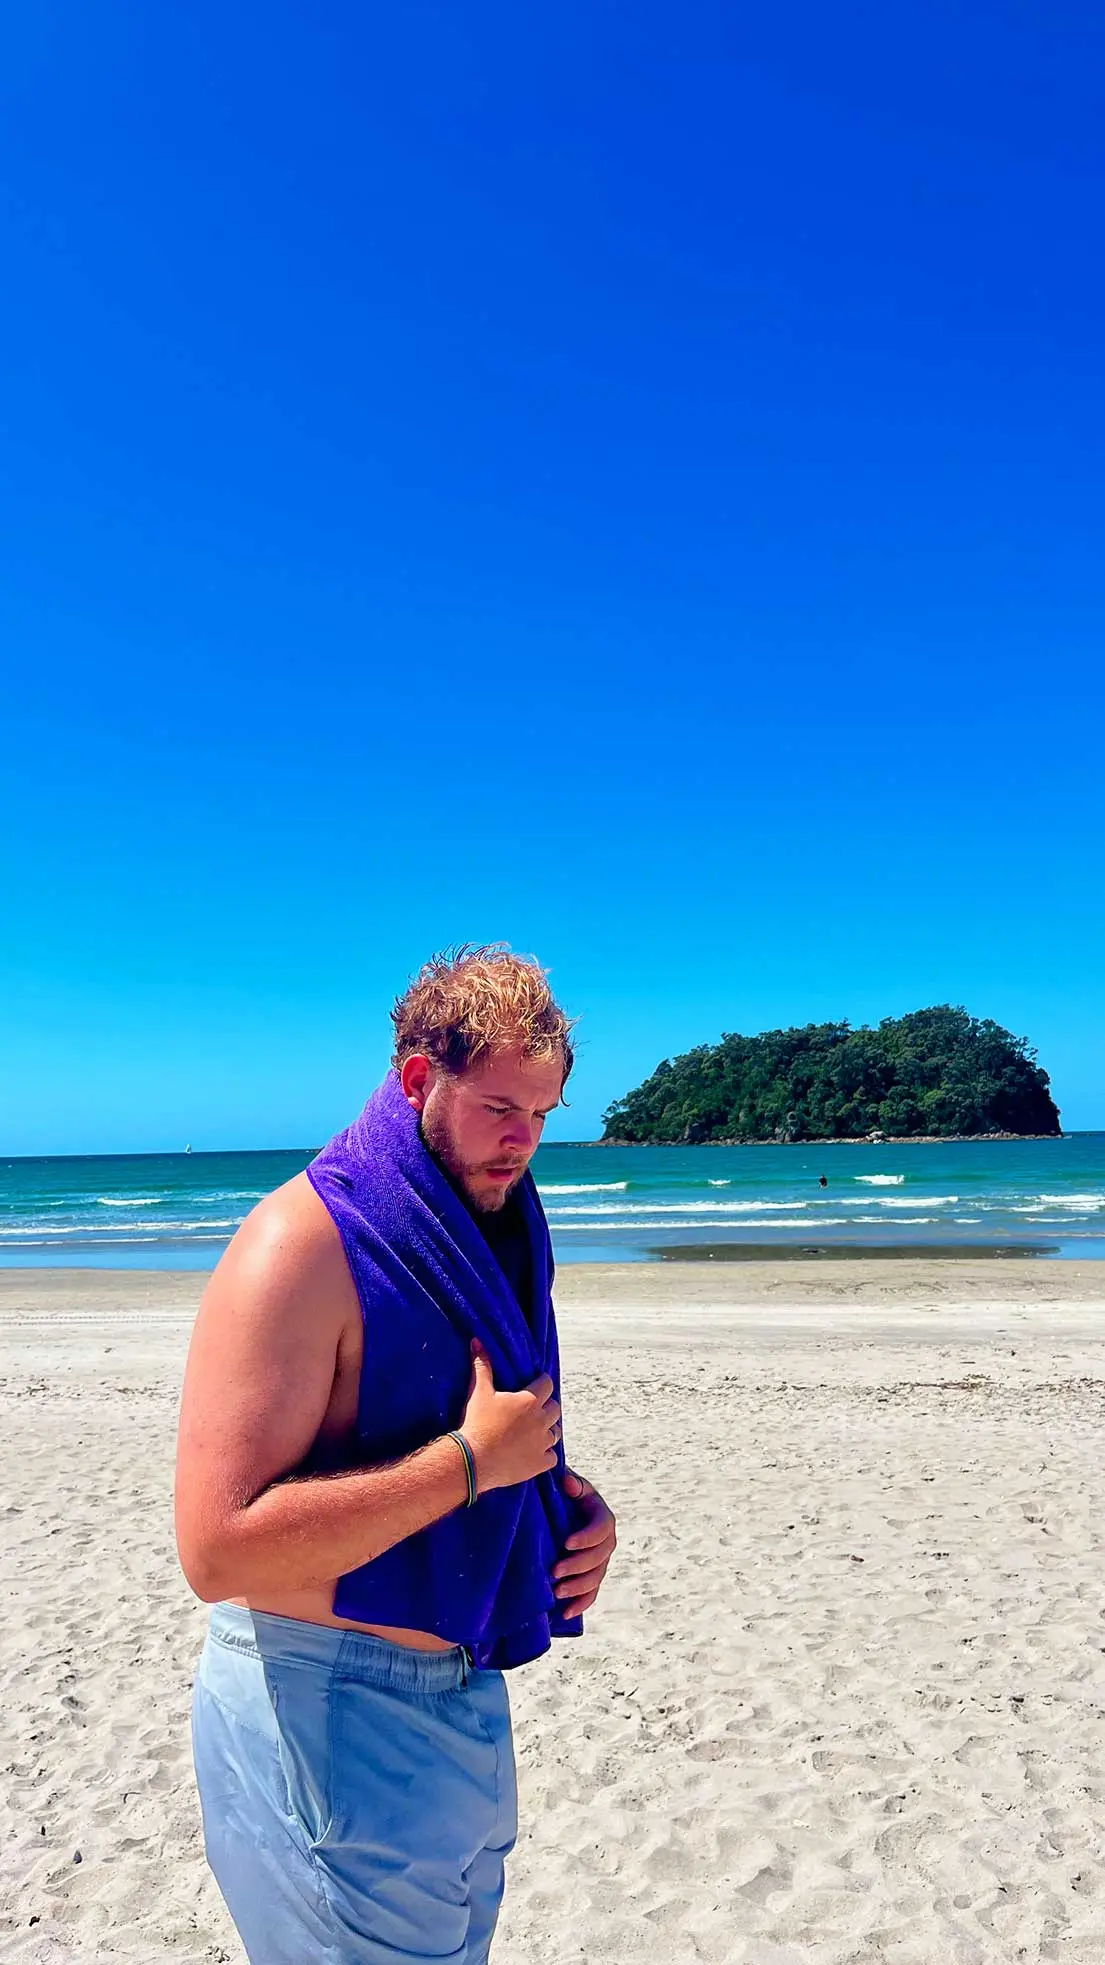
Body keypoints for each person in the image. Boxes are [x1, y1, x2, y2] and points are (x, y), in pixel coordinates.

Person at [175, 947, 617, 1964]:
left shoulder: (487, 1230)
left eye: (543, 1115)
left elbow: (487, 1435)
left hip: (458, 1697)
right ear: (419, 1079)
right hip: (324, 1710)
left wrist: (564, 1509)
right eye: (500, 1108)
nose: (523, 1143)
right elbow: (216, 1551)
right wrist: (470, 1465)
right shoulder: (302, 1244)